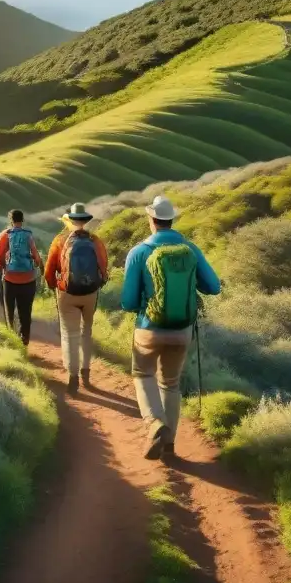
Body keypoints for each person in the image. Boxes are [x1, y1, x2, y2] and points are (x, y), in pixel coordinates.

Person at [121, 195, 221, 460]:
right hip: (182, 330)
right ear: (171, 219)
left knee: (143, 375)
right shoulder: (190, 249)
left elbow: (128, 301)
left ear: (151, 220)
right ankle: (169, 446)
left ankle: (155, 425)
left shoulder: (139, 251)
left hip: (148, 328)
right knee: (171, 383)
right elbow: (214, 286)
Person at [44, 203, 109, 396]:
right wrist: (97, 284)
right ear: (85, 221)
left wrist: (53, 285)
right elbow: (104, 269)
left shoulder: (60, 240)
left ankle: (73, 377)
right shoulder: (95, 240)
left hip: (67, 292)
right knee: (86, 332)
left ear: (70, 220)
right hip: (90, 293)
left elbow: (49, 270)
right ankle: (86, 373)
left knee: (69, 334)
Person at [0, 209, 43, 347]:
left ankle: (11, 341)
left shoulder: (5, 235)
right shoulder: (28, 235)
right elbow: (36, 256)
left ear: (11, 220)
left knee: (9, 311)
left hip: (10, 279)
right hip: (28, 279)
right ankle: (24, 341)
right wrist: (37, 264)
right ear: (22, 220)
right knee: (26, 312)